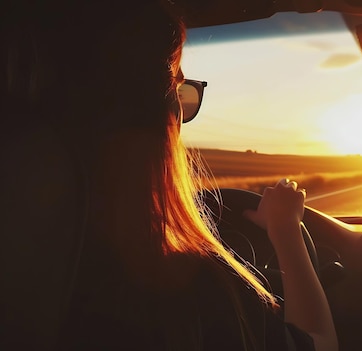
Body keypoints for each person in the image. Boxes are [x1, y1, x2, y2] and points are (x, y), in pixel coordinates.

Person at [0, 1, 337, 350]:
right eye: (177, 88)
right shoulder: (191, 293)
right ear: (156, 116)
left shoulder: (26, 275)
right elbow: (322, 342)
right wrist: (286, 230)